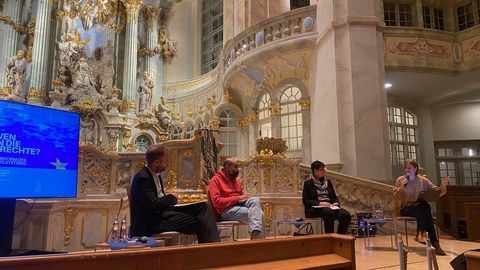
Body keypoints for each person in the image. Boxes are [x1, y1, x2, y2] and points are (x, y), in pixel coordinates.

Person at [130, 144, 220, 243]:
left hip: (164, 214)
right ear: (157, 162)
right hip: (153, 221)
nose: (167, 163)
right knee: (201, 222)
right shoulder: (142, 178)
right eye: (166, 161)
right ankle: (212, 251)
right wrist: (171, 198)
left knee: (204, 207)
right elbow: (153, 205)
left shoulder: (156, 175)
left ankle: (211, 249)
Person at [393, 159, 449, 255]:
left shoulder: (423, 180)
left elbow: (436, 191)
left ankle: (421, 234)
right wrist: (401, 187)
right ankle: (434, 243)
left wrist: (443, 186)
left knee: (423, 207)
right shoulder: (400, 180)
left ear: (415, 169)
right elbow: (395, 196)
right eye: (405, 168)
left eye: (409, 168)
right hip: (405, 208)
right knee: (425, 208)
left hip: (419, 208)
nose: (407, 170)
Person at [208, 158, 266, 239]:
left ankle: (255, 234)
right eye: (235, 167)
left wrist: (245, 198)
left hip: (239, 205)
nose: (237, 169)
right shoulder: (215, 180)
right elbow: (217, 202)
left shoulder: (236, 181)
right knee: (259, 214)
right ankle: (258, 241)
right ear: (227, 167)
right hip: (226, 211)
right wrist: (238, 198)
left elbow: (239, 197)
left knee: (255, 199)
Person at [302, 160, 351, 234]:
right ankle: (329, 237)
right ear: (315, 171)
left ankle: (340, 237)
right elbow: (305, 201)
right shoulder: (308, 183)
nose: (324, 171)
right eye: (322, 169)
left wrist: (335, 203)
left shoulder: (328, 182)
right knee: (328, 212)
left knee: (345, 215)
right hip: (315, 208)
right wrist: (320, 203)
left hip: (330, 206)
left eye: (324, 169)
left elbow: (334, 196)